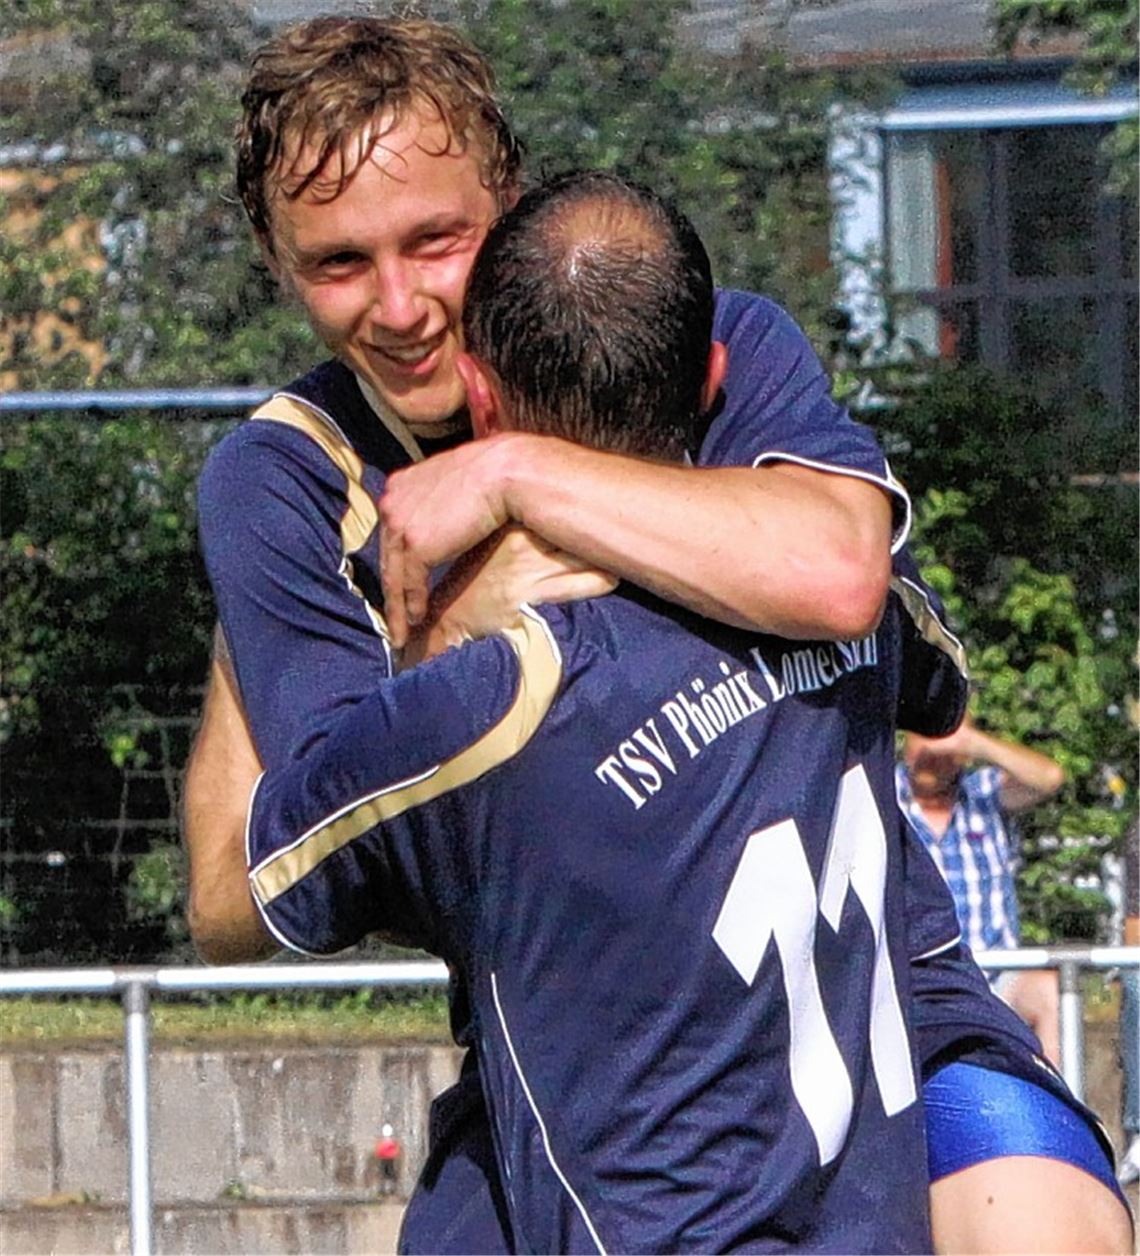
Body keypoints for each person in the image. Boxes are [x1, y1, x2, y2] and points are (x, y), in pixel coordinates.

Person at [183, 14, 1133, 1254]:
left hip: (878, 1001)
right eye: (339, 263)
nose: (401, 304)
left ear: (510, 198)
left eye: (437, 240)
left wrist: (514, 479)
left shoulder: (679, 336)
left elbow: (839, 570)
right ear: (272, 255)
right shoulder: (288, 482)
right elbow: (296, 863)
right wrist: (480, 634)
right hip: (591, 1065)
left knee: (1052, 1231)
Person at [243, 169, 949, 1250]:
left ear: (481, 401)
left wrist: (368, 611)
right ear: (712, 381)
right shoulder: (859, 624)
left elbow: (276, 862)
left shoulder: (493, 695)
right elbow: (931, 666)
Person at [896, 714, 1066, 1063]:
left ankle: (1052, 1096)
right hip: (916, 979)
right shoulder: (884, 797)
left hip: (997, 974)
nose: (932, 757)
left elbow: (1050, 778)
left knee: (1050, 992)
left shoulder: (983, 793)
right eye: (923, 741)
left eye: (943, 748)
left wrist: (972, 741)